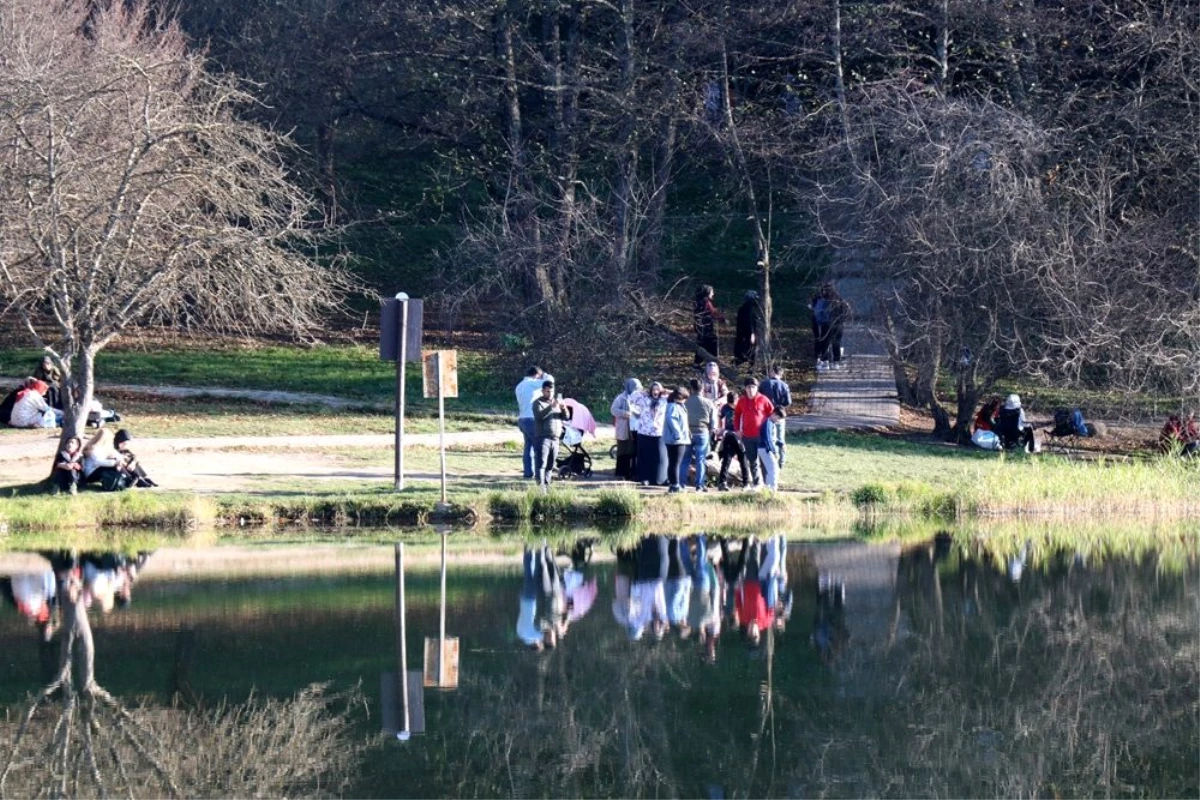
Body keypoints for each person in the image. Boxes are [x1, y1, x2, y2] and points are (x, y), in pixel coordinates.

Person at [733, 378, 775, 489]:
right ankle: (757, 483)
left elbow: (772, 415)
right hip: (747, 436)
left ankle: (769, 484)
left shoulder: (763, 399)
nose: (751, 390)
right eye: (748, 387)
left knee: (765, 460)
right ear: (745, 389)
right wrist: (737, 429)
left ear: (756, 388)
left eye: (753, 387)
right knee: (752, 461)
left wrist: (770, 431)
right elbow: (737, 415)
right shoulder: (742, 401)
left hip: (762, 436)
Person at [515, 366, 553, 480]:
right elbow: (550, 382)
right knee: (538, 447)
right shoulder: (532, 383)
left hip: (522, 419)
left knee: (528, 448)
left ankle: (528, 472)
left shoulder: (519, 385)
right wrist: (545, 375)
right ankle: (539, 473)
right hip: (531, 419)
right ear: (536, 375)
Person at [532, 381, 572, 488]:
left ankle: (547, 486)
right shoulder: (537, 403)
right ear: (542, 391)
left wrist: (563, 408)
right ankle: (540, 487)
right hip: (543, 437)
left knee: (550, 465)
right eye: (547, 391)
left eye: (552, 391)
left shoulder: (557, 403)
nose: (550, 394)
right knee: (541, 464)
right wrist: (550, 407)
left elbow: (567, 417)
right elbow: (539, 417)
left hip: (555, 439)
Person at [681, 378, 718, 492]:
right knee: (700, 460)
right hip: (702, 432)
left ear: (691, 389)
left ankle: (681, 484)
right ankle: (700, 485)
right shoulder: (708, 402)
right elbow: (713, 421)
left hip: (688, 432)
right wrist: (712, 431)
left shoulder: (685, 402)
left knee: (685, 459)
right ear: (702, 389)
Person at [632, 382, 668, 486]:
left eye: (658, 390)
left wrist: (666, 390)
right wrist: (644, 392)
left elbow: (679, 395)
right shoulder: (644, 400)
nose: (655, 392)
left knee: (660, 457)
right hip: (644, 432)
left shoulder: (664, 400)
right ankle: (644, 478)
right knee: (645, 457)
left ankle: (660, 479)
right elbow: (632, 397)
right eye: (653, 390)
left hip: (659, 432)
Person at [717, 390, 751, 491]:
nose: (732, 405)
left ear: (737, 400)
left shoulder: (742, 406)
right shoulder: (725, 407)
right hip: (729, 435)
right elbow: (720, 416)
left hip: (740, 436)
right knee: (726, 459)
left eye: (733, 403)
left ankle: (746, 483)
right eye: (730, 403)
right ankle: (722, 482)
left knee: (743, 460)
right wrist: (720, 428)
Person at [757, 366, 792, 466]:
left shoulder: (764, 384)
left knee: (769, 437)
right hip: (780, 415)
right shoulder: (784, 385)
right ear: (780, 374)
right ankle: (782, 460)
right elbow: (788, 401)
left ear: (773, 372)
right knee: (780, 439)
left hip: (767, 416)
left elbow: (759, 398)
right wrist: (780, 407)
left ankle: (771, 457)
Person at [610, 378, 642, 480]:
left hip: (637, 429)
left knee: (635, 451)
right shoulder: (621, 398)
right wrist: (624, 413)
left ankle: (634, 472)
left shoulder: (641, 397)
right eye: (634, 387)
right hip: (624, 428)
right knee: (624, 451)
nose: (635, 389)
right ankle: (622, 473)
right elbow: (613, 410)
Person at [662, 387, 691, 493]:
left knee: (673, 462)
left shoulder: (677, 405)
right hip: (676, 439)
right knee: (676, 463)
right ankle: (675, 485)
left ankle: (673, 484)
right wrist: (677, 434)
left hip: (677, 438)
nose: (685, 400)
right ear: (679, 397)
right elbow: (672, 420)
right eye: (684, 398)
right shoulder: (673, 406)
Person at [693, 285, 726, 365]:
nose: (713, 294)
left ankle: (697, 363)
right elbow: (714, 314)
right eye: (712, 292)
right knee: (712, 344)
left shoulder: (698, 302)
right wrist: (723, 319)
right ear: (707, 293)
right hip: (707, 329)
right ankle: (713, 363)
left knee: (702, 345)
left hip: (700, 329)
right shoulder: (706, 303)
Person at [734, 291, 764, 369]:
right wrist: (752, 333)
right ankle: (749, 367)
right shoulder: (748, 308)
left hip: (743, 334)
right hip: (746, 335)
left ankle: (743, 366)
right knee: (749, 351)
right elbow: (748, 321)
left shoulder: (745, 308)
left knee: (747, 351)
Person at [756, 409, 782, 490]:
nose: (778, 421)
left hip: (765, 448)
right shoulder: (768, 423)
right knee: (773, 469)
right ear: (774, 414)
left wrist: (780, 443)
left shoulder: (770, 423)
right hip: (765, 449)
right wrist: (774, 451)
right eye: (778, 418)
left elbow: (772, 438)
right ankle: (771, 490)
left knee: (773, 469)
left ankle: (770, 488)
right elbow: (768, 439)